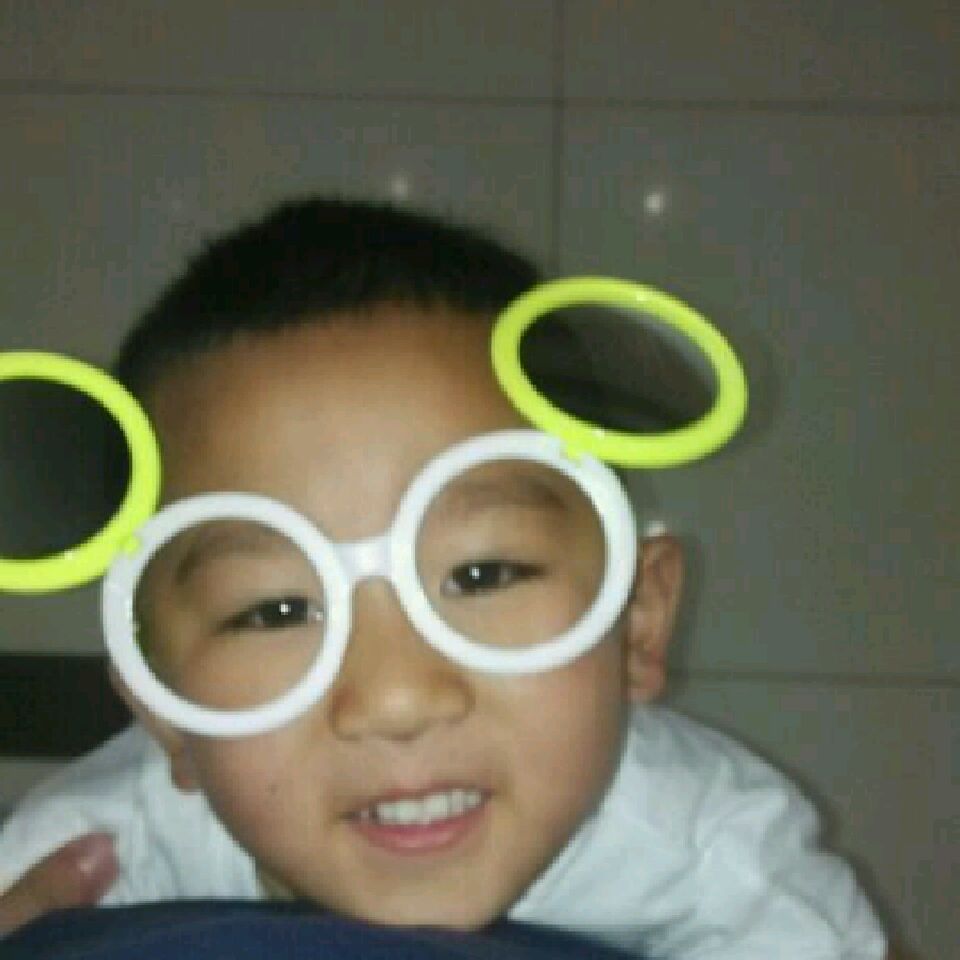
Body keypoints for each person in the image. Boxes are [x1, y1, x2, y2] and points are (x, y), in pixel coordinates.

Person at [0, 198, 888, 958]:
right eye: (276, 610)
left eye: (481, 572)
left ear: (637, 622)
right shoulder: (85, 854)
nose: (397, 698)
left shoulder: (714, 848)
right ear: (163, 713)